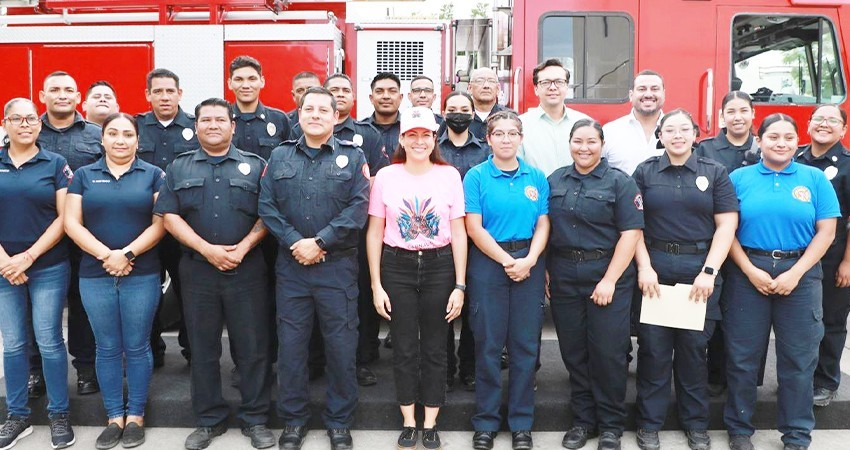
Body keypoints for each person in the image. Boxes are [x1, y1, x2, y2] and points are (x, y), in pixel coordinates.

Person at [155, 98, 273, 450]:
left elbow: (269, 213)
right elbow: (169, 215)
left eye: (220, 119)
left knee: (252, 348)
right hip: (198, 271)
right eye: (205, 120)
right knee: (203, 348)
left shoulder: (256, 165)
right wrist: (207, 249)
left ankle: (256, 419)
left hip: (247, 268)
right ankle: (209, 420)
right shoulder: (179, 167)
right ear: (196, 126)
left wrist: (244, 247)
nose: (213, 125)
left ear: (233, 125)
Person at [259, 87, 369, 450]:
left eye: (325, 109)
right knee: (291, 347)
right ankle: (293, 420)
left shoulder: (353, 158)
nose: (317, 115)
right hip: (292, 268)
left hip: (336, 268)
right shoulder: (279, 156)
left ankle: (339, 421)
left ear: (336, 116)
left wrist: (319, 242)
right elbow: (267, 207)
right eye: (310, 109)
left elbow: (358, 209)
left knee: (341, 346)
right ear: (299, 114)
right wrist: (297, 243)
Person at [724, 113, 839, 450]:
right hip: (749, 271)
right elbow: (726, 230)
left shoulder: (815, 179)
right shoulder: (738, 178)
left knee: (799, 359)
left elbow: (826, 231)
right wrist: (748, 269)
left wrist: (796, 272)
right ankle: (740, 429)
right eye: (773, 137)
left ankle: (796, 433)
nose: (781, 143)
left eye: (789, 137)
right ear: (759, 141)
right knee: (743, 356)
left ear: (797, 141)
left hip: (800, 274)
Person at [632, 109, 739, 450]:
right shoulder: (645, 172)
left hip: (699, 271)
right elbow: (633, 225)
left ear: (695, 134)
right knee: (654, 351)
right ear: (659, 136)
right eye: (669, 130)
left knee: (694, 351)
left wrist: (710, 271)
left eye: (684, 129)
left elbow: (726, 225)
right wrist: (644, 267)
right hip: (656, 270)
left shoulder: (715, 172)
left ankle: (696, 424)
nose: (677, 135)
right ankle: (649, 424)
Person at [366, 106, 467, 450]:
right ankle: (409, 420)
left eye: (426, 135)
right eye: (413, 135)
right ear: (402, 139)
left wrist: (460, 284)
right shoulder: (386, 177)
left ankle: (431, 421)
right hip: (397, 265)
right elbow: (375, 231)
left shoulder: (449, 175)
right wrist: (376, 283)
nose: (420, 141)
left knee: (437, 346)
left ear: (434, 139)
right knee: (405, 345)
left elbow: (459, 232)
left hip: (440, 265)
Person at [64, 113, 166, 449]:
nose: (120, 140)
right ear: (102, 139)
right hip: (95, 274)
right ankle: (113, 417)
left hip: (143, 273)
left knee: (137, 345)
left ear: (138, 140)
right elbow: (72, 224)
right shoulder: (83, 175)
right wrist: (107, 255)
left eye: (127, 134)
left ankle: (135, 416)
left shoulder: (153, 175)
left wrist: (128, 254)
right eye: (112, 133)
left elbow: (160, 223)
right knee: (106, 347)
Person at [547, 119, 643, 450]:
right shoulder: (556, 179)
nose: (584, 147)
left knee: (608, 353)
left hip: (607, 275)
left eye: (591, 141)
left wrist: (609, 280)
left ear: (602, 145)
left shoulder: (620, 182)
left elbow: (631, 234)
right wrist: (547, 272)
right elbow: (545, 229)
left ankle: (611, 426)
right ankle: (583, 421)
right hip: (564, 276)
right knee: (574, 352)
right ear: (570, 143)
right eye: (578, 141)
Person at [292, 73, 390, 387]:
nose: (341, 93)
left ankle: (361, 360)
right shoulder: (298, 135)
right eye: (334, 88)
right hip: (305, 237)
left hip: (353, 234)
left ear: (349, 99)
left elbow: (375, 182)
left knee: (356, 300)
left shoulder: (368, 135)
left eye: (345, 90)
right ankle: (316, 360)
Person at [464, 110, 549, 450]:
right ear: (488, 138)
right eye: (498, 133)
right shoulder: (476, 176)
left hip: (529, 260)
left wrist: (529, 260)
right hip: (489, 262)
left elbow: (544, 222)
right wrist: (507, 260)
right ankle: (485, 422)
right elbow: (473, 226)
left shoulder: (536, 176)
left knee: (525, 346)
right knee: (487, 344)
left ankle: (521, 424)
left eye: (512, 133)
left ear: (521, 138)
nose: (506, 139)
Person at [0, 97, 75, 449]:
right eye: (17, 118)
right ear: (6, 124)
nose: (25, 124)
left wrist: (28, 257)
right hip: (3, 269)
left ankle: (59, 414)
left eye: (31, 118)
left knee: (48, 340)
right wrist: (5, 261)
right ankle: (17, 416)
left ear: (39, 124)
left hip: (47, 264)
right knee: (13, 344)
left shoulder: (55, 163)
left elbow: (65, 218)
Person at [36, 71, 103, 398]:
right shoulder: (26, 130)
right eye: (54, 90)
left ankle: (86, 368)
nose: (61, 95)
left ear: (78, 97)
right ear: (42, 95)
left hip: (84, 233)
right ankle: (38, 370)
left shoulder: (95, 134)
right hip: (38, 234)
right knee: (38, 305)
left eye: (68, 90)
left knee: (82, 302)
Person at [695, 91, 760, 398]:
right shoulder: (705, 148)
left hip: (753, 242)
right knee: (717, 314)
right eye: (731, 111)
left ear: (752, 115)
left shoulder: (765, 146)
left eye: (743, 110)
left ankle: (748, 380)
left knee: (749, 318)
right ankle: (716, 374)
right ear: (721, 116)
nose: (737, 116)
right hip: (716, 242)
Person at [136, 68, 197, 367]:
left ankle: (191, 350)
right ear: (148, 95)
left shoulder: (196, 127)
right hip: (144, 226)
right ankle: (152, 349)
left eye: (169, 91)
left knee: (189, 290)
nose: (164, 96)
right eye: (157, 91)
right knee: (148, 291)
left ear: (179, 93)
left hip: (184, 225)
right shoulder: (135, 127)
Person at [795, 104, 850, 408]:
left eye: (833, 120)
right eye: (818, 119)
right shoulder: (795, 157)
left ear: (843, 129)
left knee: (830, 319)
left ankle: (826, 382)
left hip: (833, 256)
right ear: (809, 125)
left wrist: (848, 262)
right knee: (800, 322)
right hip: (795, 253)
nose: (824, 124)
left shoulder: (847, 165)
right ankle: (800, 379)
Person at [439, 91, 490, 391]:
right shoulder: (432, 147)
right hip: (440, 240)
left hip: (477, 239)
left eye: (464, 109)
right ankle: (445, 368)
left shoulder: (485, 151)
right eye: (452, 109)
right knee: (441, 308)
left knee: (474, 308)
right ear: (443, 112)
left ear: (473, 114)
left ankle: (470, 367)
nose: (458, 114)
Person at [518, 58, 591, 177]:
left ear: (567, 86)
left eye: (559, 82)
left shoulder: (585, 123)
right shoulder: (520, 125)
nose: (553, 87)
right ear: (536, 89)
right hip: (536, 193)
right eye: (545, 82)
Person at [229, 55, 292, 161]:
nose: (245, 85)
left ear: (262, 81)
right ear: (230, 83)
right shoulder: (221, 120)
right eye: (239, 79)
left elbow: (292, 158)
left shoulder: (280, 120)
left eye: (252, 79)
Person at [602, 70, 666, 175]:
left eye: (655, 89)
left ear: (663, 94)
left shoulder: (678, 133)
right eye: (642, 89)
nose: (648, 94)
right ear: (631, 95)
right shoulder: (610, 131)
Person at [362, 72, 403, 160]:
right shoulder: (360, 130)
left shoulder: (410, 129)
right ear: (371, 98)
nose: (386, 96)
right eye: (379, 91)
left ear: (400, 98)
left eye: (392, 91)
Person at [467, 67, 510, 140]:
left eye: (491, 81)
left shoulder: (510, 117)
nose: (486, 86)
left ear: (498, 89)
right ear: (470, 88)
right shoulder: (460, 117)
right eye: (480, 81)